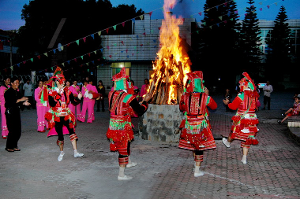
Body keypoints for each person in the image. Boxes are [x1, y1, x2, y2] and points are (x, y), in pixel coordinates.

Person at [107, 68, 150, 180]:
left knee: (127, 143)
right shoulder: (128, 97)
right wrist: (146, 102)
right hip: (122, 126)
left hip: (113, 125)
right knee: (123, 147)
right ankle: (121, 174)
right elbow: (139, 111)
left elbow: (121, 106)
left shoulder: (111, 94)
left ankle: (129, 162)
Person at [178, 71, 217, 177]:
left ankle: (196, 165)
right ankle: (197, 170)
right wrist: (207, 94)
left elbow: (181, 108)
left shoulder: (185, 97)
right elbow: (214, 106)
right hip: (200, 125)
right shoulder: (205, 97)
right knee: (199, 146)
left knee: (193, 144)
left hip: (189, 125)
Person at [43, 67, 84, 161]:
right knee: (60, 135)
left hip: (66, 115)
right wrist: (58, 93)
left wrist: (78, 98)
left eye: (64, 81)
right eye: (62, 81)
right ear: (57, 81)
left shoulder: (67, 91)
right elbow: (52, 104)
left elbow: (73, 102)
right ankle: (61, 152)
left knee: (72, 132)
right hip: (57, 116)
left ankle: (75, 152)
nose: (64, 82)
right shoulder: (51, 92)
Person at [223, 72, 259, 165]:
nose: (239, 86)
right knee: (247, 138)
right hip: (252, 119)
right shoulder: (254, 95)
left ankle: (227, 142)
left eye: (240, 84)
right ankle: (244, 158)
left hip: (242, 118)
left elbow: (233, 106)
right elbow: (257, 105)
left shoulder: (241, 95)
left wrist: (227, 103)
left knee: (234, 132)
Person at [5, 77, 30, 152]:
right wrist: (20, 100)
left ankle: (14, 145)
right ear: (11, 83)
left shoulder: (18, 92)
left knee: (18, 131)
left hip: (16, 112)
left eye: (18, 83)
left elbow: (20, 102)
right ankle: (9, 146)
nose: (17, 84)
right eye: (15, 83)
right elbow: (10, 102)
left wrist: (24, 103)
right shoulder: (8, 92)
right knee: (12, 130)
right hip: (10, 113)